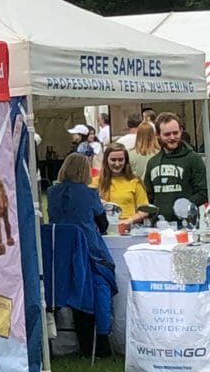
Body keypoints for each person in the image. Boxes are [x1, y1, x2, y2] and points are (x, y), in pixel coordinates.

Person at [48, 154, 116, 358]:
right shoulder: (89, 194)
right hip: (88, 251)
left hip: (59, 254)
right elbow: (103, 224)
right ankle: (101, 339)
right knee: (102, 283)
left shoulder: (51, 192)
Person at [144, 112, 208, 222]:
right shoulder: (152, 162)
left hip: (186, 225)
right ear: (158, 135)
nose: (172, 137)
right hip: (159, 225)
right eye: (167, 134)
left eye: (175, 133)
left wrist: (184, 207)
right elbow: (148, 195)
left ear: (181, 131)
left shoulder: (193, 159)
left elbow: (203, 192)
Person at [93, 143, 150, 226]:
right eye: (113, 160)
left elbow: (144, 210)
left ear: (126, 161)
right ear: (106, 160)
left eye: (120, 160)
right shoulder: (95, 182)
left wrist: (128, 221)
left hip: (130, 229)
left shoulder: (135, 182)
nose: (117, 164)